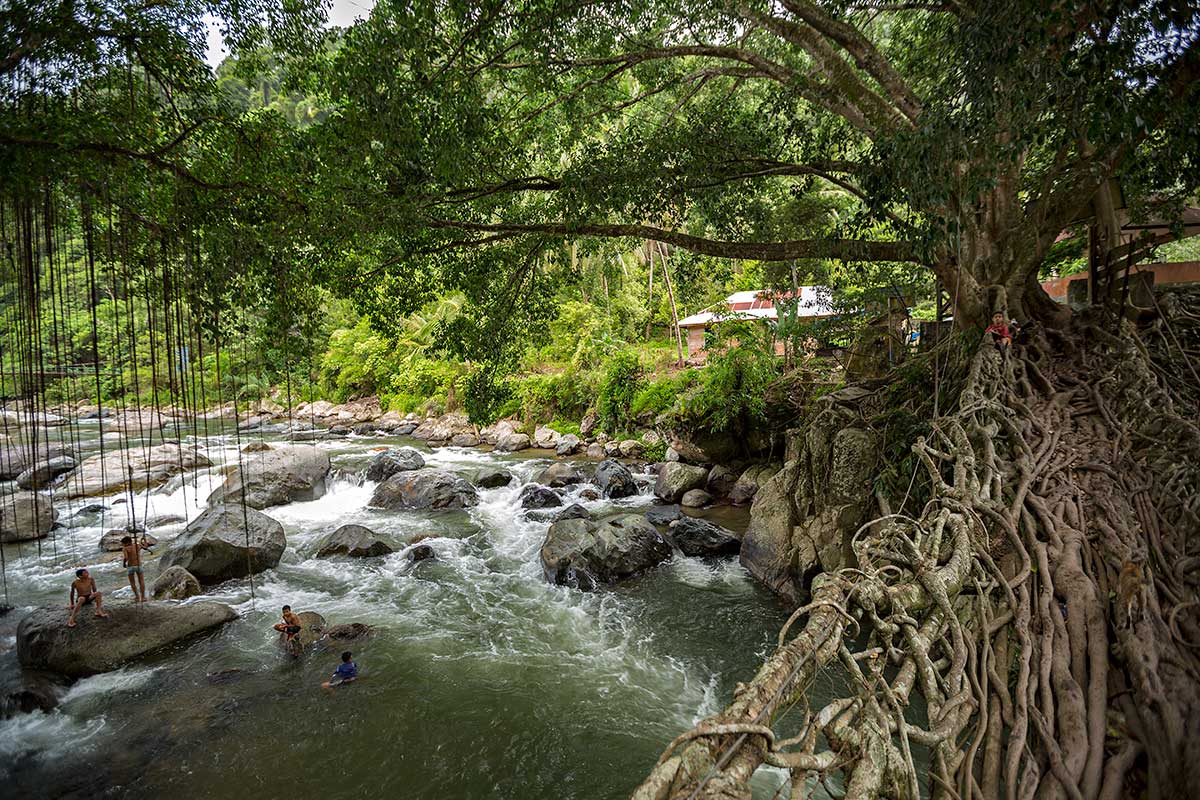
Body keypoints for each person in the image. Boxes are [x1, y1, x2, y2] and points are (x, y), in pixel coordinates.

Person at [121, 535, 153, 603]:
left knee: (132, 583)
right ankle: (143, 597)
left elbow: (126, 558)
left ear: (126, 543)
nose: (123, 545)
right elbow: (146, 547)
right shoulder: (137, 545)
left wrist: (124, 563)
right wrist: (144, 540)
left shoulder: (125, 549)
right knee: (141, 581)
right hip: (138, 565)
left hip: (130, 567)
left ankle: (137, 597)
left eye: (123, 544)